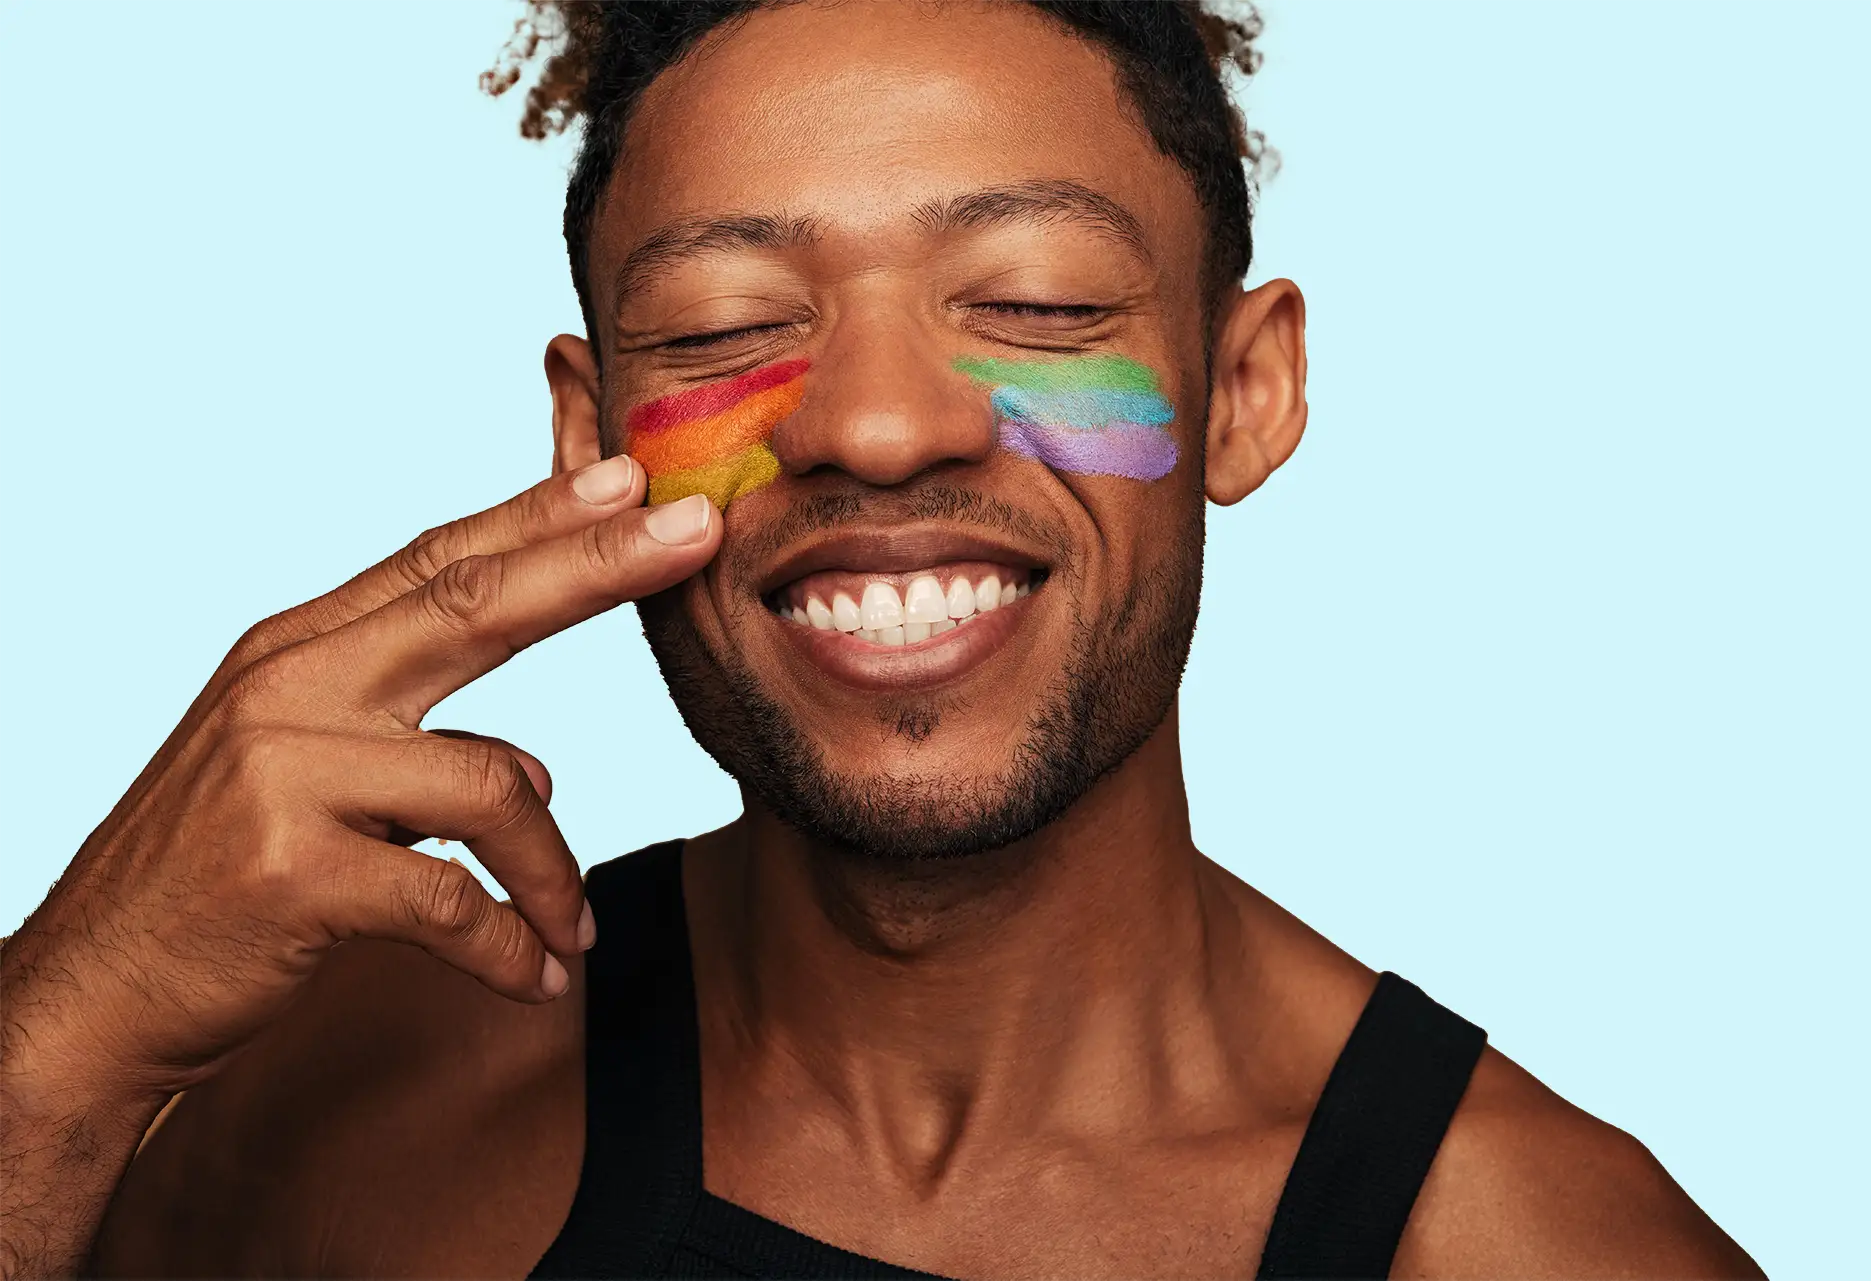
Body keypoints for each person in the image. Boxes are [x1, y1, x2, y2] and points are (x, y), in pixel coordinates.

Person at [0, 2, 1763, 1277]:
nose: (879, 425)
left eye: (1039, 304)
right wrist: (57, 1029)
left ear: (1243, 388)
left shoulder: (1546, 1248)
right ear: (591, 434)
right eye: (724, 325)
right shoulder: (323, 1113)